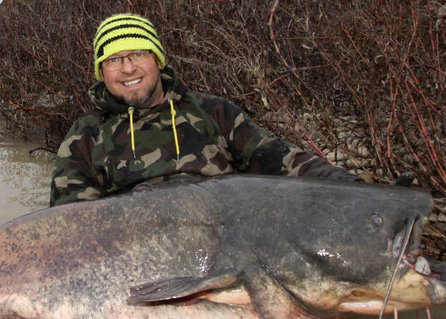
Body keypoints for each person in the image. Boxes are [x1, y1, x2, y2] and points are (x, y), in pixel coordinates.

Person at [50, 13, 359, 206]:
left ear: (158, 60)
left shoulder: (213, 111)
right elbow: (72, 221)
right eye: (114, 60)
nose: (128, 68)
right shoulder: (85, 135)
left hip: (225, 243)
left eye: (138, 54)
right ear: (101, 72)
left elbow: (283, 161)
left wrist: (356, 190)